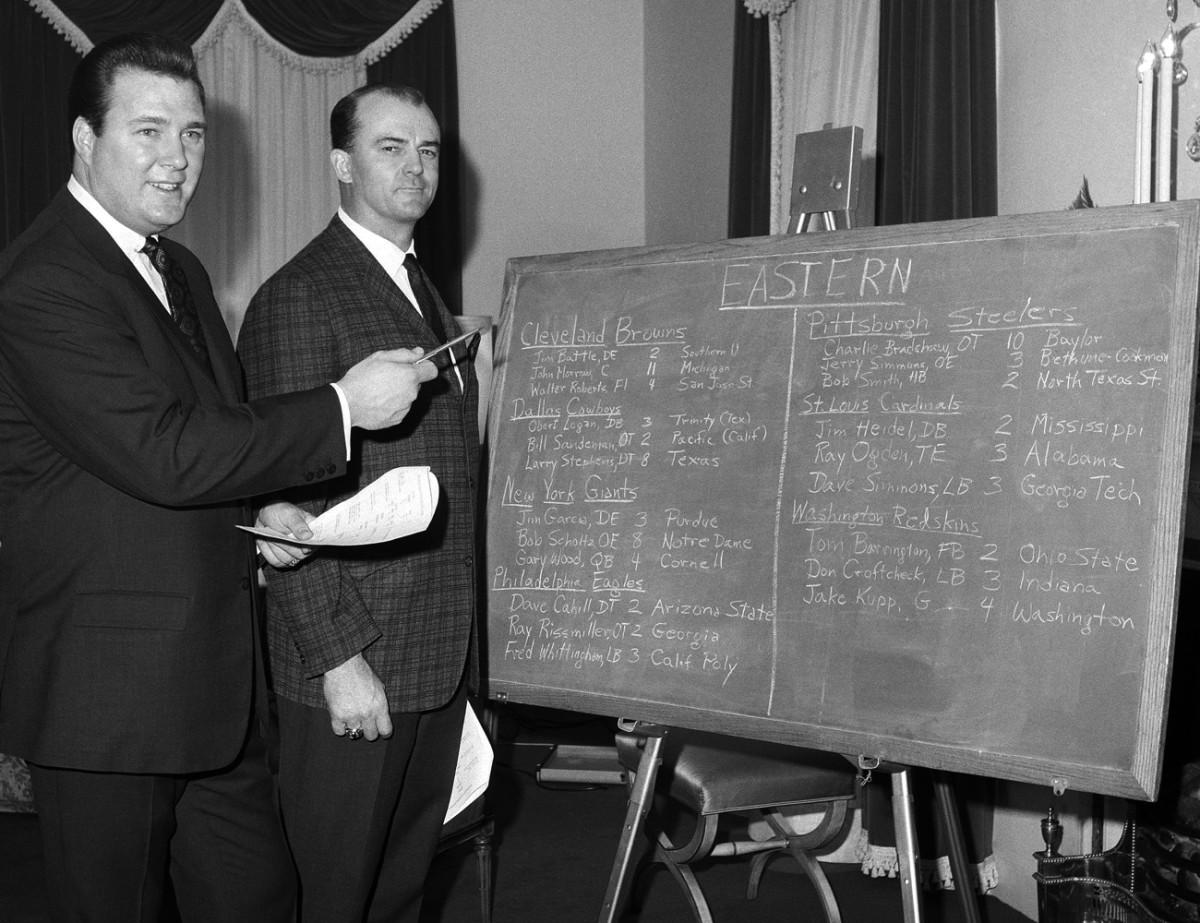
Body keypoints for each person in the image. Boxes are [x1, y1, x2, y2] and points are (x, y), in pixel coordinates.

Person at [0, 34, 438, 923]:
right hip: (108, 699)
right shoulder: (43, 278)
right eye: (149, 131)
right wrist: (342, 408)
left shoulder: (181, 267)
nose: (177, 159)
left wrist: (265, 508)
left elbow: (212, 437)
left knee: (260, 899)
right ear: (85, 139)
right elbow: (163, 451)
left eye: (193, 135)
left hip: (209, 688)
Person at [238, 83, 480, 922]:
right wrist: (338, 661)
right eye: (390, 147)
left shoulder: (424, 288)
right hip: (356, 660)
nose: (416, 167)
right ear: (342, 163)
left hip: (433, 655)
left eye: (429, 149)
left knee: (400, 893)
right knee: (335, 899)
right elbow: (280, 499)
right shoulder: (300, 295)